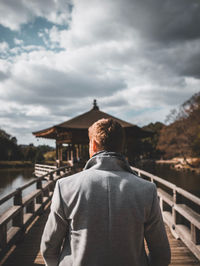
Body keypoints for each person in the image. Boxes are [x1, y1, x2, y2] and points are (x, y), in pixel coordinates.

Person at [41, 118, 171, 266]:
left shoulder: (65, 186)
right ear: (121, 147)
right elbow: (161, 254)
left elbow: (49, 247)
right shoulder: (147, 190)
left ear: (94, 144)